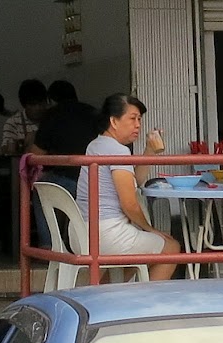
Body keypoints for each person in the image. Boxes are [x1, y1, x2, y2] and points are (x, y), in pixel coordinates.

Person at [77, 94, 180, 282]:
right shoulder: (118, 150)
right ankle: (144, 305)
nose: (138, 124)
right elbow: (129, 204)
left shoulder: (96, 144)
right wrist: (150, 229)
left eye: (140, 119)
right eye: (132, 118)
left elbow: (134, 182)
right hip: (107, 233)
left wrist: (149, 151)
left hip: (81, 231)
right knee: (171, 247)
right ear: (114, 121)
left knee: (139, 254)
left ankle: (106, 296)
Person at [30, 80, 103, 190]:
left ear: (52, 100)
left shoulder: (52, 114)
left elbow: (36, 155)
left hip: (66, 178)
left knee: (40, 187)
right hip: (96, 178)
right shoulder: (93, 111)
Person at [0, 79, 49, 157]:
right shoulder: (13, 122)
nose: (38, 108)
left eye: (41, 103)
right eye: (33, 104)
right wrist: (25, 142)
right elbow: (5, 149)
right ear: (24, 105)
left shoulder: (52, 118)